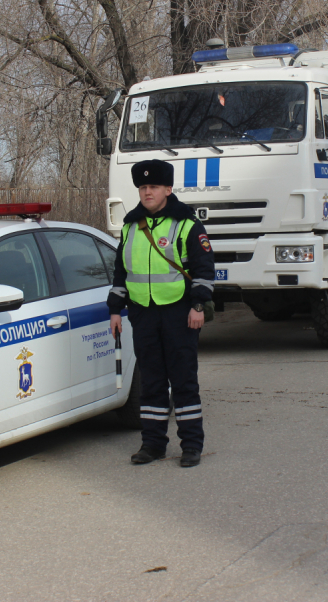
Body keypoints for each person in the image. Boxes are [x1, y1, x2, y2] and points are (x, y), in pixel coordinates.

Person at [107, 159, 215, 468]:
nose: (147, 192)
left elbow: (205, 270)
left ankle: (192, 445)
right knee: (151, 382)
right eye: (142, 187)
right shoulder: (130, 226)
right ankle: (152, 444)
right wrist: (115, 309)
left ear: (168, 189)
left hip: (180, 313)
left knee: (183, 381)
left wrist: (198, 306)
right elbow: (121, 272)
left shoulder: (187, 225)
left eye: (153, 187)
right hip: (143, 314)